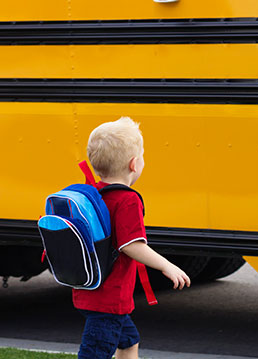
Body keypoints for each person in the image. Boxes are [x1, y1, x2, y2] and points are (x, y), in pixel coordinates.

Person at [74, 116, 191, 359]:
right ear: (134, 164)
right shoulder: (127, 199)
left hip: (90, 291)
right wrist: (167, 265)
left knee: (128, 341)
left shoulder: (93, 194)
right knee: (94, 354)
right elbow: (132, 245)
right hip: (110, 298)